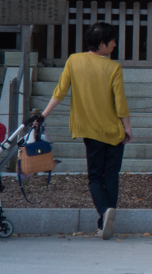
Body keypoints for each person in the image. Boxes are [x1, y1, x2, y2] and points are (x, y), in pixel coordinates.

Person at [39, 22, 131, 240]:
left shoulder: (74, 60)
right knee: (111, 177)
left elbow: (59, 92)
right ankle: (104, 222)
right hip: (114, 131)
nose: (115, 45)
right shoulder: (113, 68)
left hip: (90, 131)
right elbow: (120, 102)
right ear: (102, 44)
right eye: (112, 41)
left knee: (94, 177)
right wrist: (127, 127)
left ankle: (103, 214)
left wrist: (42, 116)